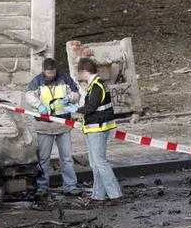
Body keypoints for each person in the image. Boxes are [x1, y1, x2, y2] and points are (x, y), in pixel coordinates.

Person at [65, 58, 122, 205]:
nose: (80, 76)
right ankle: (98, 195)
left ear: (85, 71)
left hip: (98, 128)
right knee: (95, 163)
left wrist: (75, 110)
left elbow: (91, 108)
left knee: (100, 163)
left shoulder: (97, 86)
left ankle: (115, 194)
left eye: (80, 73)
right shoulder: (97, 85)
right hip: (96, 127)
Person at [26, 58, 82, 196]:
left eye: (53, 72)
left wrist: (70, 98)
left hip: (63, 125)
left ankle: (70, 185)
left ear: (56, 70)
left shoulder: (65, 79)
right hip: (44, 125)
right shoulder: (37, 81)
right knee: (44, 159)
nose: (51, 75)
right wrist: (38, 105)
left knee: (67, 158)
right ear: (44, 71)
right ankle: (42, 186)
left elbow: (76, 94)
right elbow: (29, 96)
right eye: (48, 72)